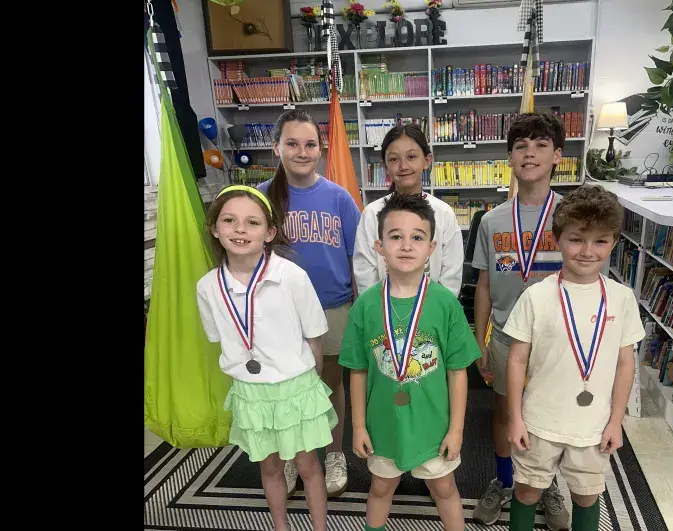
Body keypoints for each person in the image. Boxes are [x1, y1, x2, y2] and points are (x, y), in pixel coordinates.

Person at [504, 185, 646, 531]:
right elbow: (517, 361)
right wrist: (515, 418)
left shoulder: (622, 298)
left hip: (593, 426)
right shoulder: (536, 296)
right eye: (576, 239)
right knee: (526, 491)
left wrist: (616, 421)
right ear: (557, 239)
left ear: (614, 242)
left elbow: (625, 364)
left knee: (586, 495)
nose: (587, 251)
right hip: (538, 421)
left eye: (600, 241)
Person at [196, 185, 336, 531]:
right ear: (214, 228)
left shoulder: (291, 276)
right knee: (270, 467)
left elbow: (315, 338)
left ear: (270, 232)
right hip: (251, 392)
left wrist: (312, 382)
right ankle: (280, 526)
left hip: (296, 387)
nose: (240, 230)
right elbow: (218, 338)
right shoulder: (208, 287)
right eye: (229, 220)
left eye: (252, 222)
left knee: (308, 467)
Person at [339, 193, 480, 531]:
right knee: (380, 489)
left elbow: (457, 372)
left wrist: (456, 430)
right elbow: (358, 370)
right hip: (383, 426)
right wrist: (358, 426)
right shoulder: (365, 306)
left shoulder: (446, 304)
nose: (406, 246)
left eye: (417, 237)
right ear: (379, 246)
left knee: (444, 490)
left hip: (434, 427)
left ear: (431, 248)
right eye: (395, 236)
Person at [470, 112, 570, 529]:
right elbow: (484, 286)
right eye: (520, 146)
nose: (530, 153)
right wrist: (479, 341)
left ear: (557, 155)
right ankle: (505, 480)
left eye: (541, 145)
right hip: (505, 336)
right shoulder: (492, 220)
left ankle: (546, 483)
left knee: (550, 415)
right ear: (509, 157)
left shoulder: (570, 215)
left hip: (558, 339)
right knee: (505, 410)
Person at [257, 109, 361, 497]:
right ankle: (290, 456)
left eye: (310, 144)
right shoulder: (262, 198)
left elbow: (357, 259)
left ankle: (333, 453)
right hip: (278, 313)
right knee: (285, 389)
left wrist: (359, 307)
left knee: (331, 385)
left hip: (332, 307)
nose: (302, 152)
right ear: (276, 148)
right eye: (292, 143)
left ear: (321, 149)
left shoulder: (340, 198)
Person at [352, 123, 464, 297]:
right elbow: (365, 274)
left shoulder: (444, 213)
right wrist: (378, 308)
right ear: (384, 166)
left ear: (427, 161)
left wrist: (437, 308)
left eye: (411, 157)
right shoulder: (372, 214)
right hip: (382, 309)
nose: (403, 166)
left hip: (434, 310)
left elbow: (451, 275)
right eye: (394, 159)